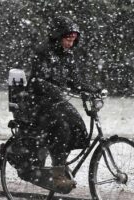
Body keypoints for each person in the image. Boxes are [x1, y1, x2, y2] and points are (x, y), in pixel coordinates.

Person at [14, 16, 100, 193]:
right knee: (61, 126)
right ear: (57, 36)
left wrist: (91, 90)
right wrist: (53, 89)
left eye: (73, 39)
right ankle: (58, 171)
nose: (70, 43)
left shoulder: (67, 55)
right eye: (68, 39)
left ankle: (60, 160)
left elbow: (74, 80)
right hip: (36, 102)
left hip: (55, 100)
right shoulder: (43, 52)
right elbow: (38, 80)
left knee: (77, 126)